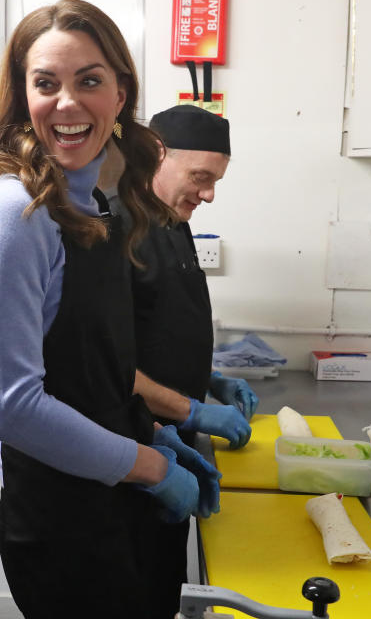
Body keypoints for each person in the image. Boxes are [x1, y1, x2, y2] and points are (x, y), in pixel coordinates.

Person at [0, 0, 220, 618]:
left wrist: (151, 431)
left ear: (121, 93)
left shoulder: (93, 203)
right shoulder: (13, 215)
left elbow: (89, 372)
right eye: (45, 83)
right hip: (64, 524)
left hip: (114, 494)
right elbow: (15, 409)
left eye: (90, 81)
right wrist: (152, 465)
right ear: (22, 96)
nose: (67, 103)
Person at [108, 104, 261, 616]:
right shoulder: (115, 230)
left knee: (163, 585)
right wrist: (191, 410)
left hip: (176, 444)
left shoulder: (174, 222)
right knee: (133, 590)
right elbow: (106, 363)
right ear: (156, 153)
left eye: (215, 180)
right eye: (200, 177)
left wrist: (209, 378)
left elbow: (159, 328)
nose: (209, 193)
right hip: (135, 448)